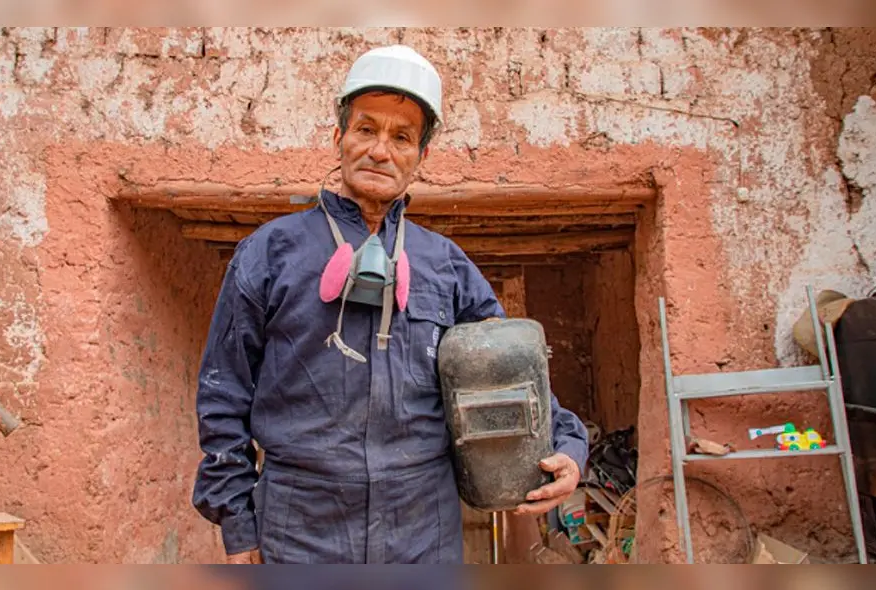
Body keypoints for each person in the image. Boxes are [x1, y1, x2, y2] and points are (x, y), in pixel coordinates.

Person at [192, 44, 590, 564]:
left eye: (401, 137)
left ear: (420, 157)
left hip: (423, 527)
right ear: (338, 138)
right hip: (299, 527)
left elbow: (506, 367)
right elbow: (223, 394)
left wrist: (567, 444)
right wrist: (239, 525)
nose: (380, 150)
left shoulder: (445, 264)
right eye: (365, 129)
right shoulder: (269, 253)